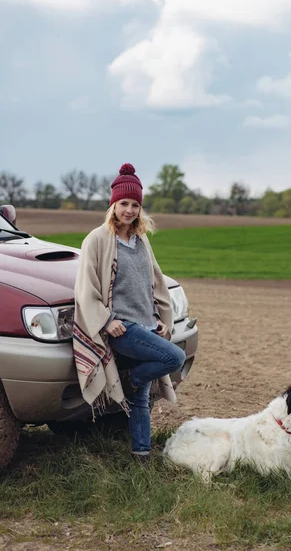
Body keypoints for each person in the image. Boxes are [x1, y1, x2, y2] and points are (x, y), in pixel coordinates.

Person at [73, 163, 185, 462]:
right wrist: (107, 321)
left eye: (135, 204)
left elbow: (155, 281)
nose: (130, 210)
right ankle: (132, 378)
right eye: (124, 203)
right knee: (174, 357)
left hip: (147, 325)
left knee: (141, 401)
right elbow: (85, 289)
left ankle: (141, 454)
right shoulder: (97, 239)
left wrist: (164, 319)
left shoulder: (141, 240)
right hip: (123, 329)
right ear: (113, 205)